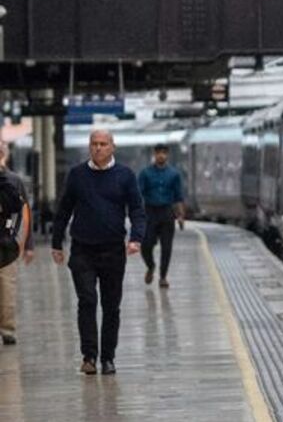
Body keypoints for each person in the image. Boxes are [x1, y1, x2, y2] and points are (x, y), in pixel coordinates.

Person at [50, 128, 145, 375]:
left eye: (103, 144)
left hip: (113, 250)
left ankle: (108, 357)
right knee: (87, 300)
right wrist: (56, 243)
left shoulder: (125, 176)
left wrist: (136, 238)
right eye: (94, 144)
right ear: (89, 147)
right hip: (82, 250)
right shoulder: (77, 175)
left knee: (111, 306)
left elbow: (136, 209)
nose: (98, 148)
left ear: (112, 147)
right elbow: (64, 210)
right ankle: (89, 356)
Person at [138, 143, 187, 289]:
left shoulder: (174, 174)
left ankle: (163, 277)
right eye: (158, 152)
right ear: (154, 154)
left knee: (167, 247)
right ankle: (151, 266)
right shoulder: (145, 173)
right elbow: (138, 194)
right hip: (150, 212)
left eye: (164, 153)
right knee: (146, 245)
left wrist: (181, 216)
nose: (161, 155)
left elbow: (178, 196)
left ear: (167, 155)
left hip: (167, 213)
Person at [0, 143, 31, 346]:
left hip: (5, 242)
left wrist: (25, 244)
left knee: (6, 286)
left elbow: (24, 214)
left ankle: (7, 329)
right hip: (7, 241)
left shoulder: (13, 181)